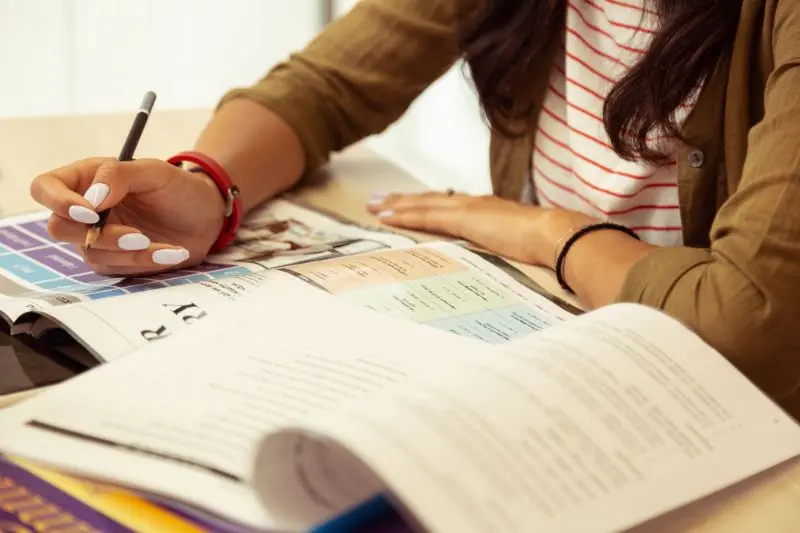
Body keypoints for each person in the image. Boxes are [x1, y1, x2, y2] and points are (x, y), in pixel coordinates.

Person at [29, 0, 800, 411]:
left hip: (717, 403)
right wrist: (206, 187)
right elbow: (327, 89)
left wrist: (547, 232)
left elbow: (744, 325)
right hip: (548, 350)